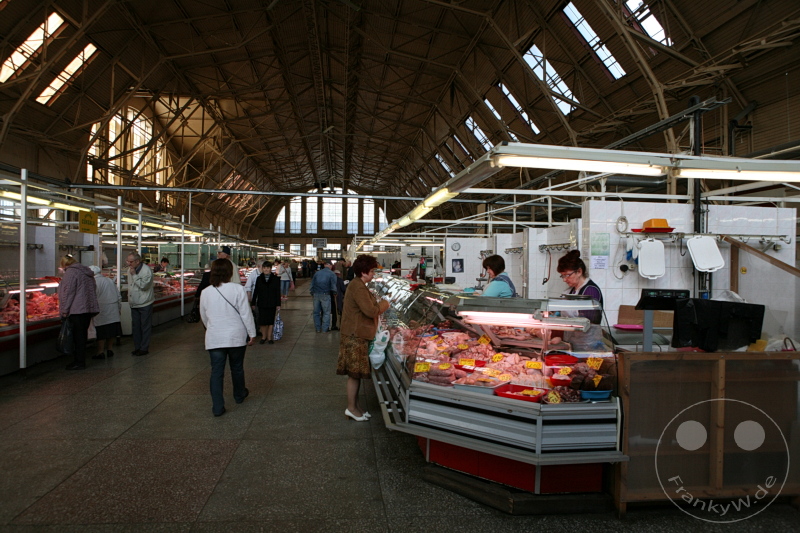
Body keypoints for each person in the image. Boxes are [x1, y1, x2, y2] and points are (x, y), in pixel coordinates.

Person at [336, 254, 390, 421]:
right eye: (372, 270)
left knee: (356, 374)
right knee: (354, 374)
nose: (374, 274)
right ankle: (351, 408)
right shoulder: (358, 287)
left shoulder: (358, 284)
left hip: (355, 333)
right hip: (355, 335)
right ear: (364, 271)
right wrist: (386, 303)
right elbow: (371, 311)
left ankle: (356, 407)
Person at [199, 258, 256, 417]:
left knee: (216, 372)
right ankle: (239, 395)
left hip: (215, 337)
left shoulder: (206, 292)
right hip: (236, 336)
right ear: (230, 272)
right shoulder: (238, 289)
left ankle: (217, 407)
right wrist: (252, 333)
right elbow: (246, 313)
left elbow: (204, 316)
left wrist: (211, 328)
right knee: (237, 368)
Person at [59, 255, 99, 370]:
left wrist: (64, 310)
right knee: (82, 336)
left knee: (78, 337)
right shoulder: (87, 273)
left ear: (64, 264)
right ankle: (80, 360)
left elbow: (68, 293)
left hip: (77, 310)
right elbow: (93, 289)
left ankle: (79, 362)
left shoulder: (71, 273)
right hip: (87, 309)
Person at [557, 250, 603, 324]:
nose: (564, 280)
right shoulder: (570, 291)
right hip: (572, 334)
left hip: (587, 335)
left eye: (567, 275)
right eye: (562, 276)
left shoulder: (591, 290)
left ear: (579, 272)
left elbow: (588, 321)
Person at [90, 265, 121, 360]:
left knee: (101, 331)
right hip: (113, 308)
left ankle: (100, 352)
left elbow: (92, 297)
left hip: (101, 310)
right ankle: (110, 349)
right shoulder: (109, 281)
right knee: (111, 330)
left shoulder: (93, 282)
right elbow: (118, 295)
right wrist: (119, 307)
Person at [127, 252, 155, 356]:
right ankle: (137, 347)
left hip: (145, 302)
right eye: (127, 261)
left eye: (130, 261)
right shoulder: (130, 270)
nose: (129, 264)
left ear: (137, 261)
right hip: (134, 303)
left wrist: (134, 275)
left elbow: (143, 286)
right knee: (136, 327)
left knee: (145, 326)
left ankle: (144, 348)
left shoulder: (146, 271)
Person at [251, 261, 281, 344]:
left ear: (271, 269)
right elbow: (256, 291)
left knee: (270, 321)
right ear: (262, 269)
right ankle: (263, 337)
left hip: (272, 303)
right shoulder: (259, 279)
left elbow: (277, 292)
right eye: (264, 268)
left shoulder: (275, 279)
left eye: (268, 268)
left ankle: (269, 337)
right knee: (262, 321)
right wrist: (253, 303)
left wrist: (278, 304)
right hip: (262, 303)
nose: (266, 269)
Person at [310, 259, 337, 333]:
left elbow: (312, 283)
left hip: (316, 294)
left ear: (324, 265)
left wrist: (312, 292)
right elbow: (333, 285)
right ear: (330, 266)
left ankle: (318, 328)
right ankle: (325, 329)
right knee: (326, 312)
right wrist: (335, 292)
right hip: (326, 294)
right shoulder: (332, 274)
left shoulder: (317, 273)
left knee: (316, 312)